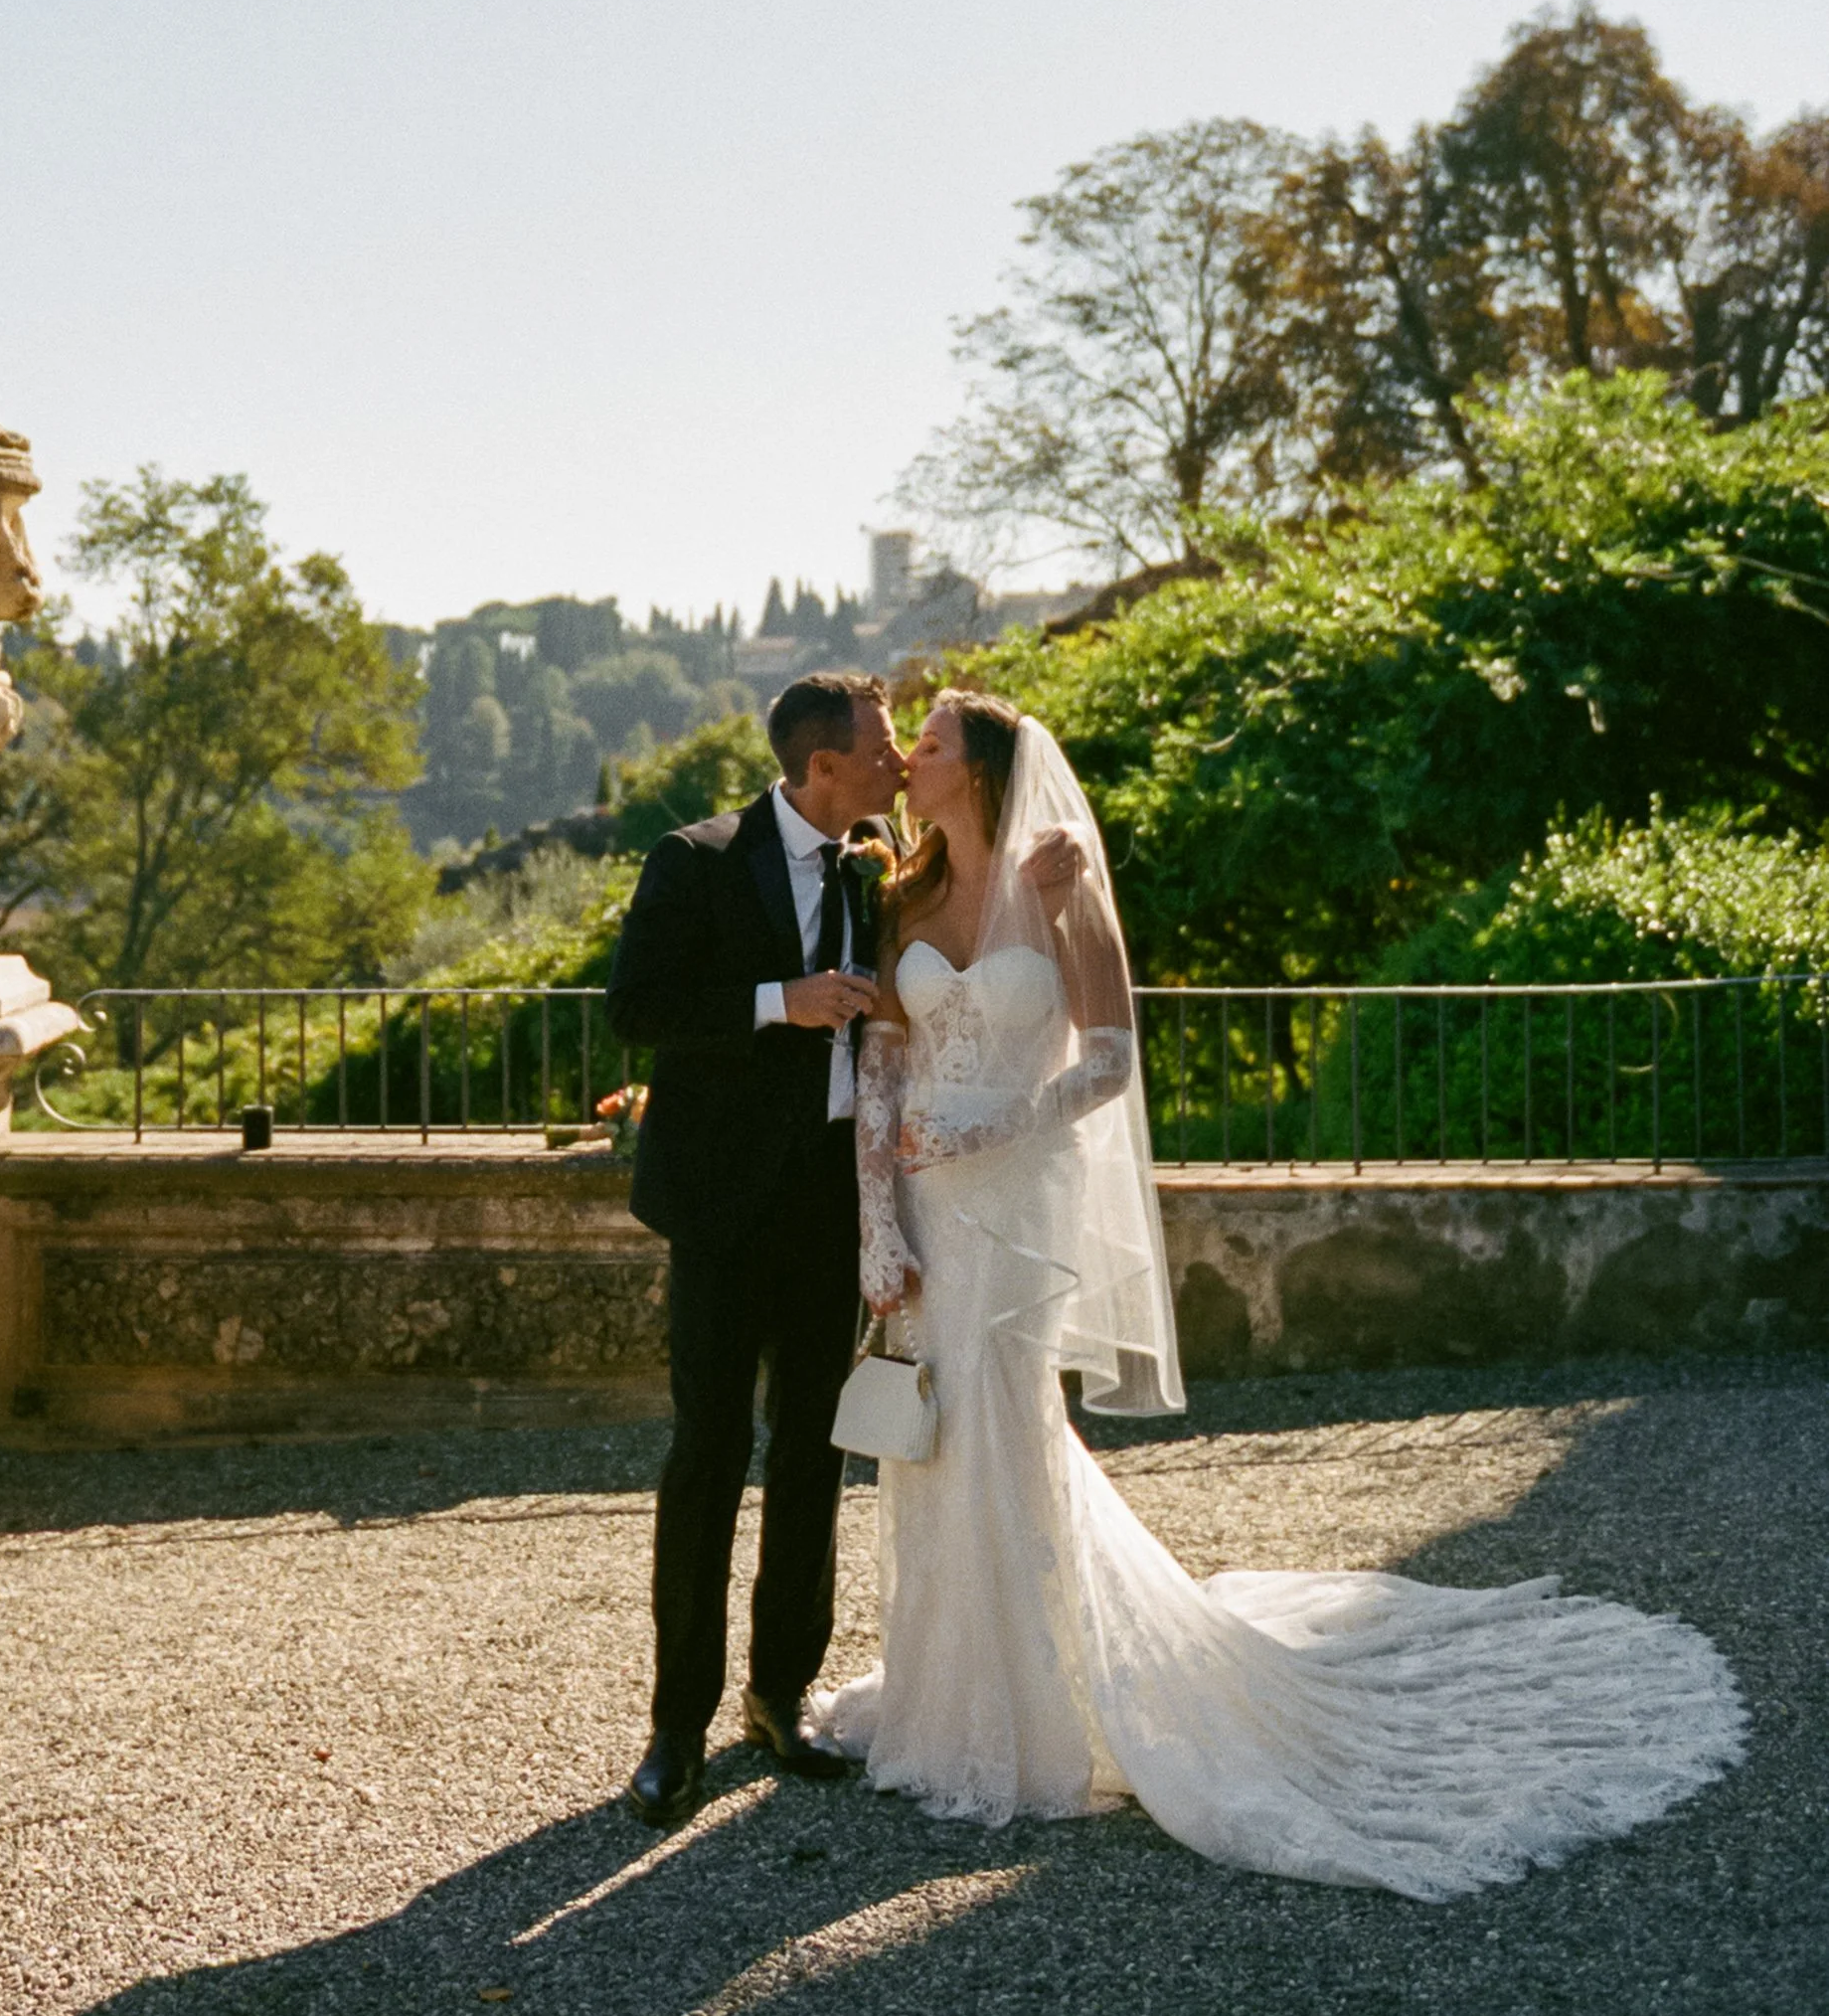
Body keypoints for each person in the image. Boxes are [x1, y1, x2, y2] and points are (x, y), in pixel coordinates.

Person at [815, 687, 1747, 1900]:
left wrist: (998, 1117)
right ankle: (945, 1701)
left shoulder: (1054, 880)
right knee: (935, 1446)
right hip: (930, 1209)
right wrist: (877, 1231)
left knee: (1008, 1423)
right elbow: (881, 1062)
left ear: (981, 770)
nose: (908, 757)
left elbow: (1107, 1056)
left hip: (1017, 1197)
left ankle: (1036, 1710)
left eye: (929, 742)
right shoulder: (902, 896)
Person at [605, 670, 909, 1828]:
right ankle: (674, 1725)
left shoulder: (879, 859)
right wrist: (776, 1001)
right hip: (723, 1210)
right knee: (707, 1452)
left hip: (832, 1206)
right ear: (819, 765)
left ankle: (777, 1696)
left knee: (810, 1459)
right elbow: (636, 1007)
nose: (891, 763)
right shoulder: (694, 858)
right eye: (878, 747)